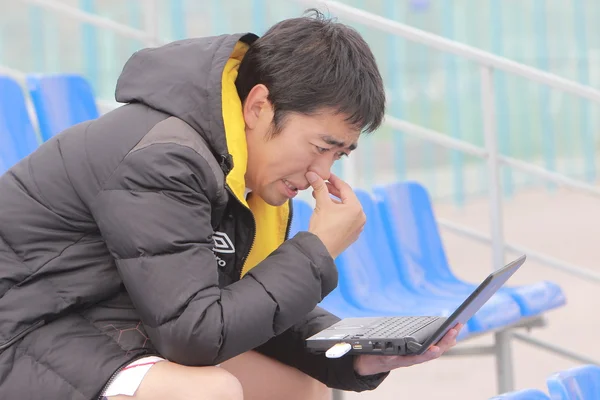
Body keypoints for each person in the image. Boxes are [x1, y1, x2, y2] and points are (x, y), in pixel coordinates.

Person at [0, 9, 461, 400]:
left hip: (101, 324)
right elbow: (194, 335)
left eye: (338, 155)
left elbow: (242, 299)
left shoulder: (246, 172)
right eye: (320, 145)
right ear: (259, 106)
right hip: (22, 330)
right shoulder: (167, 158)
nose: (322, 172)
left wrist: (359, 354)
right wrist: (316, 250)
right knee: (208, 392)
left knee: (302, 387)